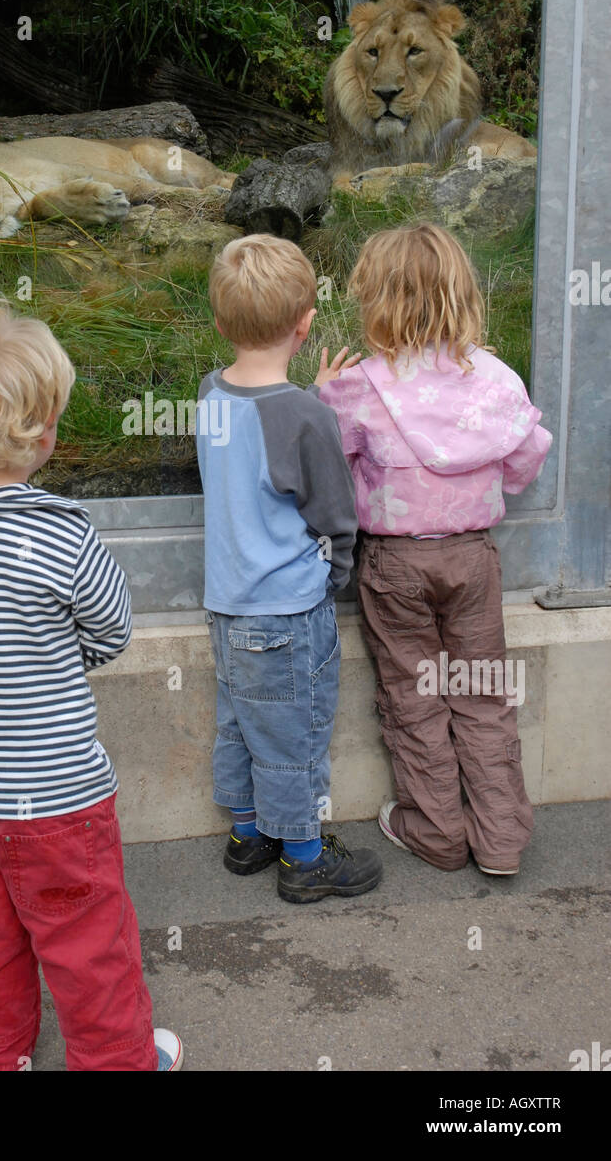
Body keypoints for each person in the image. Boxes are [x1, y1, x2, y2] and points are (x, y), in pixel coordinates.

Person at [0, 298, 182, 1071]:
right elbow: (111, 629)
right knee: (87, 944)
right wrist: (48, 659)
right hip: (57, 799)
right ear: (44, 429)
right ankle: (115, 1061)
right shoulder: (63, 531)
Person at [315, 223, 552, 876]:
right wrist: (480, 485)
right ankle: (502, 839)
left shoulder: (360, 384)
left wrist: (323, 396)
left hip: (396, 566)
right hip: (472, 558)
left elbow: (329, 465)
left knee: (414, 695)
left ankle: (437, 830)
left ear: (376, 301)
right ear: (461, 294)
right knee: (482, 695)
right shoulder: (495, 376)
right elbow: (528, 457)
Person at [196, 233, 383, 904]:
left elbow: (259, 439)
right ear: (306, 325)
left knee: (241, 723)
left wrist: (310, 397)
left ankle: (248, 835)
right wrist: (336, 580)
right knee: (295, 733)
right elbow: (334, 512)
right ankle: (304, 856)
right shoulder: (306, 417)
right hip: (287, 611)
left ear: (221, 324)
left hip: (228, 608)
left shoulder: (209, 394)